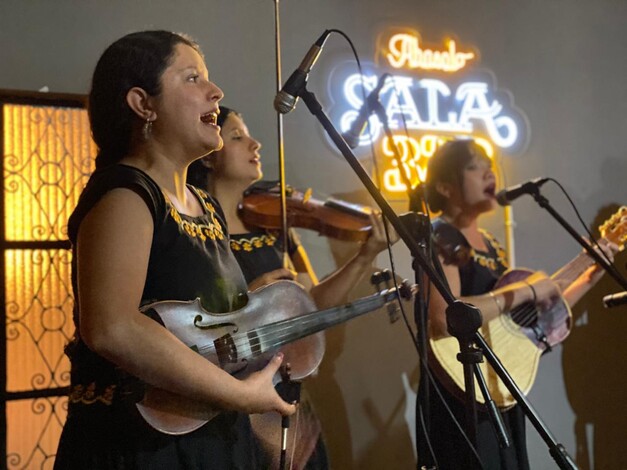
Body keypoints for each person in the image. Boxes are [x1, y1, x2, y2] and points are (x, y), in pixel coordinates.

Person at [54, 31, 295, 469]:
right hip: (142, 448)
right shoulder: (127, 192)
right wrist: (240, 395)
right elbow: (112, 327)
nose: (215, 91)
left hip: (215, 441)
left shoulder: (203, 204)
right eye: (192, 78)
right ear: (143, 104)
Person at [187, 106, 398, 469]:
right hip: (229, 396)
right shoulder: (197, 231)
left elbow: (314, 309)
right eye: (237, 136)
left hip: (287, 390)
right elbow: (194, 323)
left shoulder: (276, 225)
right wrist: (254, 295)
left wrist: (365, 256)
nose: (255, 144)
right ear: (208, 158)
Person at [417, 139, 619, 470]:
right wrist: (524, 291)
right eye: (474, 166)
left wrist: (592, 269)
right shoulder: (440, 234)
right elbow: (444, 317)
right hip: (462, 394)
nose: (488, 171)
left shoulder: (492, 245)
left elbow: (534, 313)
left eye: (489, 164)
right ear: (444, 186)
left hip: (497, 386)